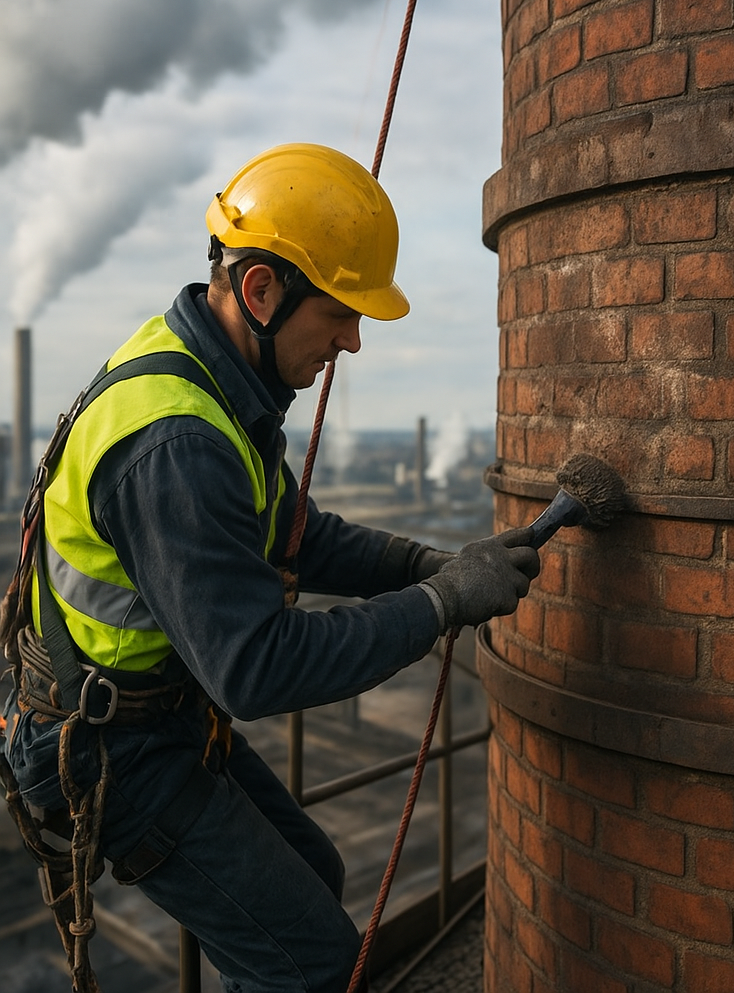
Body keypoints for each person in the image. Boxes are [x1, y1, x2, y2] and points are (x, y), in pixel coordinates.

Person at [0, 142, 540, 992]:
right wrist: (440, 604)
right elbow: (255, 668)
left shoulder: (212, 387)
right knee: (312, 967)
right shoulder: (179, 443)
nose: (353, 343)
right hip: (109, 750)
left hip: (155, 718)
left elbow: (299, 536)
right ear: (261, 291)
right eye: (340, 314)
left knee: (314, 875)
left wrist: (428, 563)